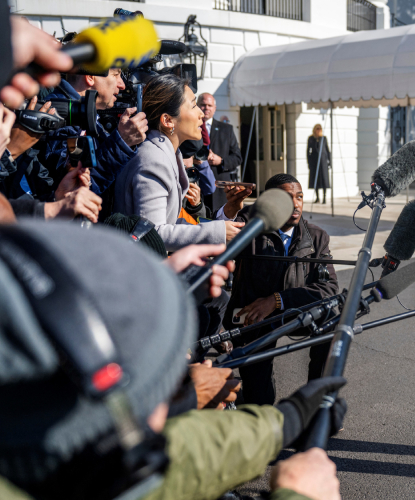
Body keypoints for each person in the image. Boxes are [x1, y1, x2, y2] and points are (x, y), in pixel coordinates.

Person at [0, 221, 345, 500]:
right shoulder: (102, 470)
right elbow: (168, 467)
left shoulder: (42, 456)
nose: (181, 374)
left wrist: (288, 419)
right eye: (161, 385)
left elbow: (176, 461)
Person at [224, 173, 339, 405]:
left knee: (331, 320)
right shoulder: (250, 226)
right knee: (261, 404)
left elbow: (330, 288)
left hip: (294, 312)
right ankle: (251, 395)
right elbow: (220, 233)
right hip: (255, 319)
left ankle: (316, 403)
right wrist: (231, 210)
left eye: (299, 197)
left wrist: (277, 300)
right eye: (287, 198)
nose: (296, 204)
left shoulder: (317, 237)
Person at [114, 74, 247, 252]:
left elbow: (172, 222)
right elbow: (152, 233)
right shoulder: (153, 159)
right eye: (193, 105)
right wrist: (216, 232)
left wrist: (220, 224)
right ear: (168, 120)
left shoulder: (166, 152)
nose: (201, 113)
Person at [42, 68, 148, 200]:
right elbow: (75, 189)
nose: (122, 85)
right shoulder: (57, 114)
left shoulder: (83, 112)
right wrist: (122, 142)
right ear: (90, 76)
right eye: (116, 75)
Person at [180, 92, 242, 212]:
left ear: (215, 108)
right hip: (194, 183)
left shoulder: (226, 129)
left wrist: (221, 161)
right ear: (197, 106)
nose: (206, 108)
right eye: (203, 105)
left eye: (209, 105)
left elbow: (237, 157)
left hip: (220, 187)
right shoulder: (188, 127)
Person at [307, 124, 330, 204]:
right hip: (314, 162)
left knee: (324, 179)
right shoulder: (311, 139)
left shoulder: (323, 138)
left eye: (320, 129)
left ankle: (324, 197)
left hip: (323, 162)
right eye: (317, 129)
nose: (319, 130)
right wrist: (309, 162)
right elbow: (308, 151)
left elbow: (327, 150)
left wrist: (329, 161)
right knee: (315, 180)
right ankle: (317, 197)